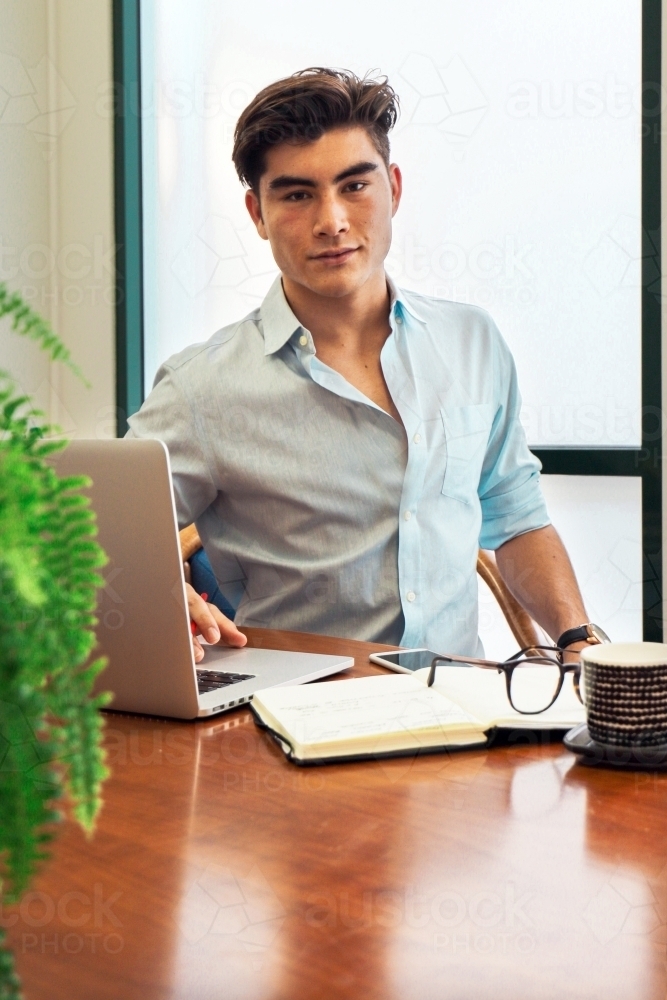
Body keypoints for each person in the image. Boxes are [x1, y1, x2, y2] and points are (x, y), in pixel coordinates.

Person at [128, 67, 602, 665]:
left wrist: (578, 640)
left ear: (394, 189)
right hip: (293, 723)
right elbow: (92, 544)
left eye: (355, 186)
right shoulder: (202, 389)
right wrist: (161, 597)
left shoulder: (472, 342)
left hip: (469, 710)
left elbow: (515, 515)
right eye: (297, 195)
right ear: (257, 213)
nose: (332, 221)